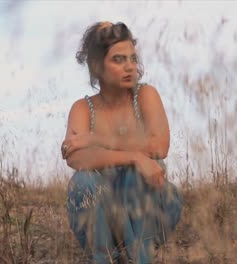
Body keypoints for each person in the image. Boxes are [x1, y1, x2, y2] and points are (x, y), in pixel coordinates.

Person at [61, 21, 183, 264]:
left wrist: (96, 139)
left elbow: (159, 146)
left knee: (134, 177)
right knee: (83, 182)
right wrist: (135, 156)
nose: (130, 67)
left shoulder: (145, 95)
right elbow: (76, 157)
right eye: (118, 60)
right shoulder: (83, 108)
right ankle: (104, 257)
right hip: (104, 219)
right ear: (97, 66)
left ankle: (140, 257)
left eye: (132, 58)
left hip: (149, 209)